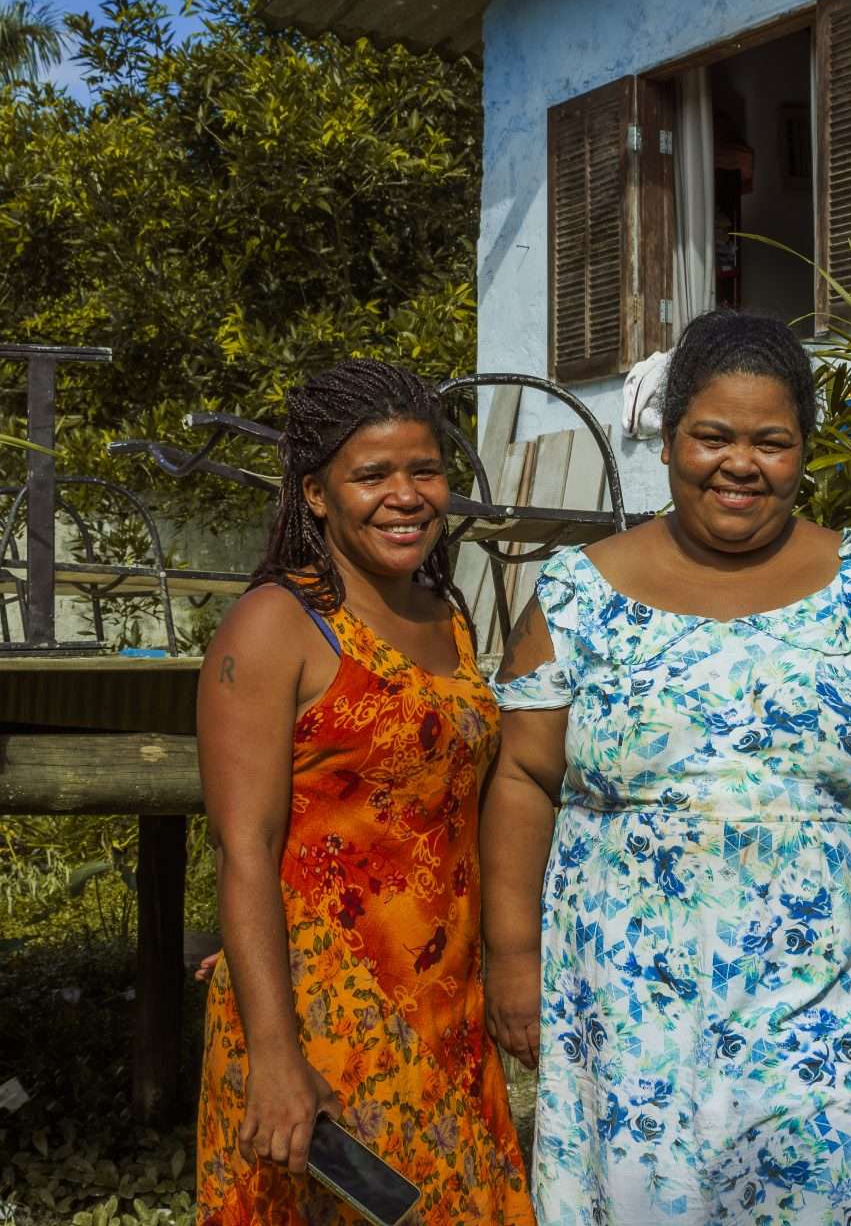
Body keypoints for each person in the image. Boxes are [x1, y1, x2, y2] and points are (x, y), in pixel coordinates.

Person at [480, 310, 851, 1224]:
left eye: (772, 442)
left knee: (821, 1191)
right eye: (713, 436)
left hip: (815, 995)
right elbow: (522, 779)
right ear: (670, 438)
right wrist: (513, 956)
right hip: (625, 1001)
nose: (740, 464)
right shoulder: (575, 595)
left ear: (804, 451)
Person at [195, 359, 533, 1226]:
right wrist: (276, 1056)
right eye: (373, 475)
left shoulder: (446, 617)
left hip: (446, 1007)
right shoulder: (276, 625)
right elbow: (243, 848)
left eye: (425, 470)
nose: (406, 496)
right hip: (318, 1015)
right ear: (315, 494)